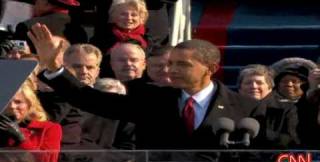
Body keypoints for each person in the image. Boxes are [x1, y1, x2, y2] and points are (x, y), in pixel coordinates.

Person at [30, 23, 257, 149]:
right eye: (171, 63)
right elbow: (91, 100)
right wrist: (53, 68)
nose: (172, 70)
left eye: (183, 64)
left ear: (212, 68)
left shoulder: (245, 108)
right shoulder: (150, 97)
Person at [0, 81, 62, 162]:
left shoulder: (49, 128)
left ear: (29, 105)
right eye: (7, 101)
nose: (12, 106)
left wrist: (20, 137)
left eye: (18, 102)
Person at [238, 64, 300, 148]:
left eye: (259, 83)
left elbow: (291, 139)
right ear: (240, 88)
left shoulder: (287, 109)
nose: (253, 86)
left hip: (271, 157)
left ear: (270, 87)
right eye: (248, 83)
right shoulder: (228, 107)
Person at [14, 0, 87, 51]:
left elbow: (18, 55)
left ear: (46, 3)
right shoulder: (80, 31)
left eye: (36, 1)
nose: (34, 4)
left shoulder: (26, 26)